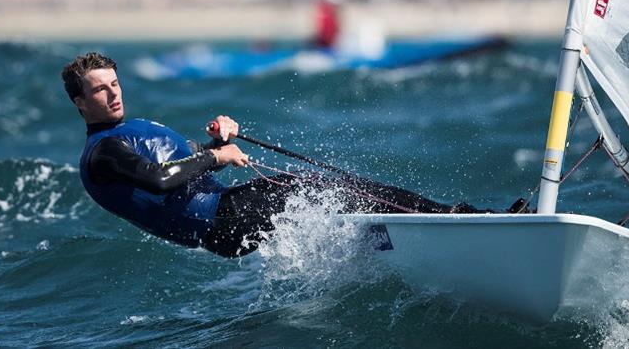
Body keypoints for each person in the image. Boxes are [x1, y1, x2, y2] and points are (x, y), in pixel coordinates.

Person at [62, 52, 454, 258]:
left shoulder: (129, 133)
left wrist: (216, 142)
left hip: (225, 216)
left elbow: (185, 162)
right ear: (80, 103)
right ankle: (446, 219)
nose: (113, 94)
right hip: (218, 222)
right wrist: (217, 158)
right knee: (310, 189)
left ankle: (405, 231)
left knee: (330, 191)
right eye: (100, 90)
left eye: (115, 83)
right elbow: (158, 178)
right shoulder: (104, 152)